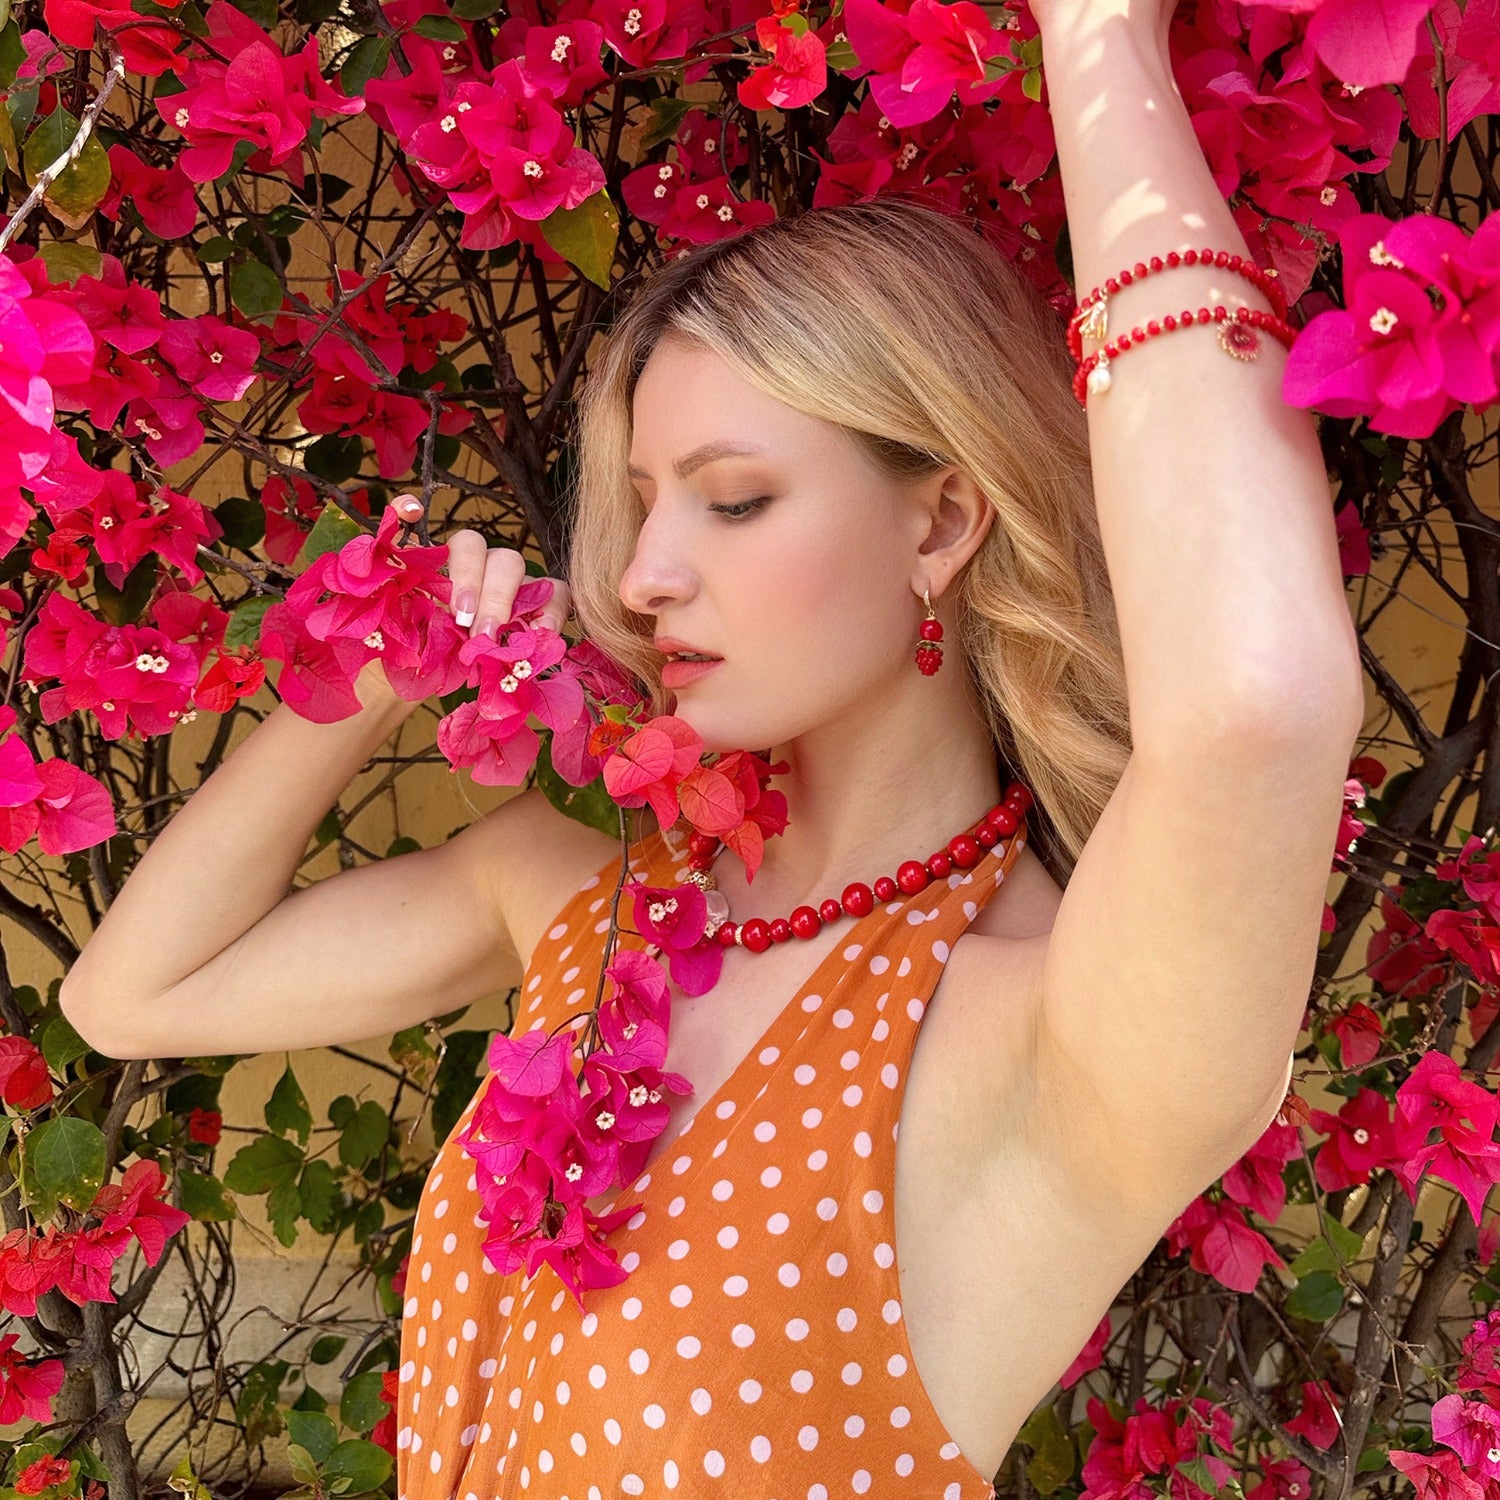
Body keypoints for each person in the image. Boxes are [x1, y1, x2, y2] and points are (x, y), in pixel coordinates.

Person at [59, 0, 1365, 1494]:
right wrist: (370, 666)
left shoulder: (1044, 1039)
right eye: (643, 501)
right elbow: (132, 996)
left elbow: (1254, 706)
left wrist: (1097, 40)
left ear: (942, 521)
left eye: (732, 500)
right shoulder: (585, 896)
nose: (641, 577)